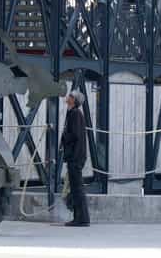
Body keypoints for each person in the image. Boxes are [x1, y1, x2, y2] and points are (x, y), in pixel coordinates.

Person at [59, 89, 89, 227]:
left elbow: (75, 135)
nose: (68, 97)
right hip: (75, 155)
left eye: (70, 96)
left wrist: (64, 137)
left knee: (77, 188)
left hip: (75, 156)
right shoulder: (73, 113)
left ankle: (81, 218)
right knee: (76, 187)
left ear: (75, 100)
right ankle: (80, 217)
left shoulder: (75, 114)